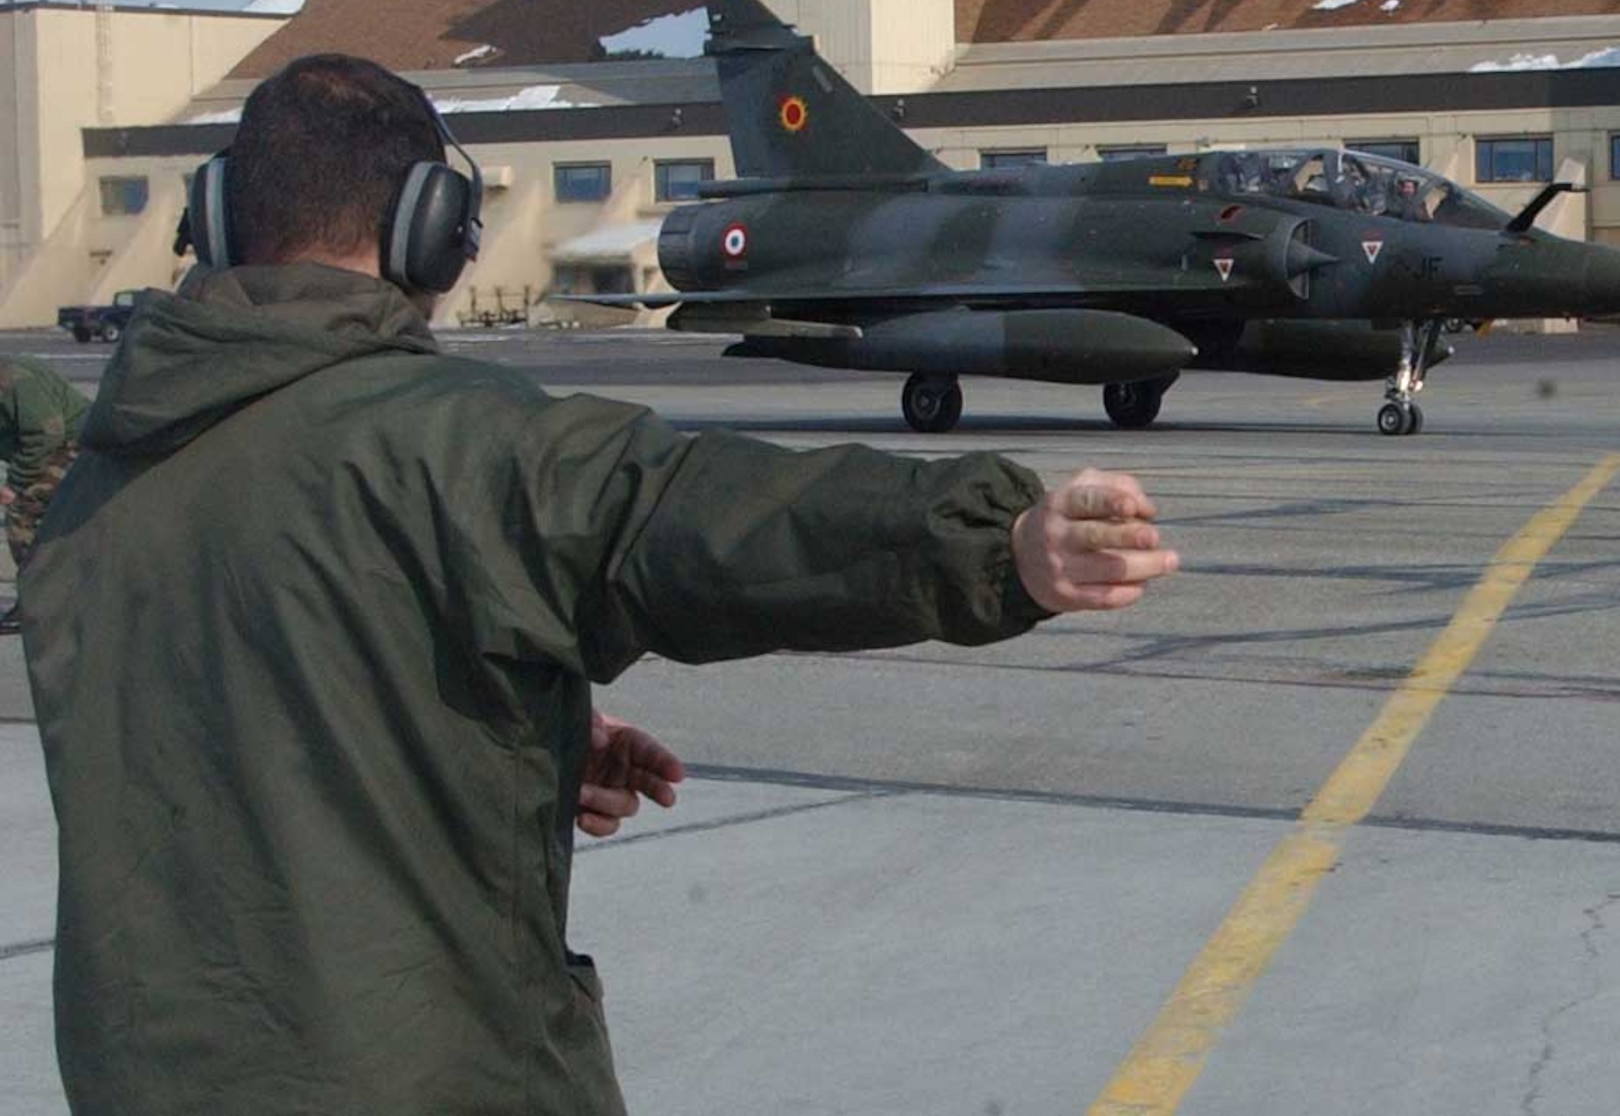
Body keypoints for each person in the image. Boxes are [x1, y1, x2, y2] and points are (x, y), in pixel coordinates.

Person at [22, 54, 1177, 1116]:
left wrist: (505, 724)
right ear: (433, 230)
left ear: (218, 219)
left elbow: (231, 711)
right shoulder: (461, 447)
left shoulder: (99, 487)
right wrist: (1000, 543)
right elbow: (690, 512)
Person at [0, 354, 89, 632]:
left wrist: (15, 484)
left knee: (23, 512)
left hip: (77, 444)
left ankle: (37, 604)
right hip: (53, 447)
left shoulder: (16, 380)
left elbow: (46, 434)